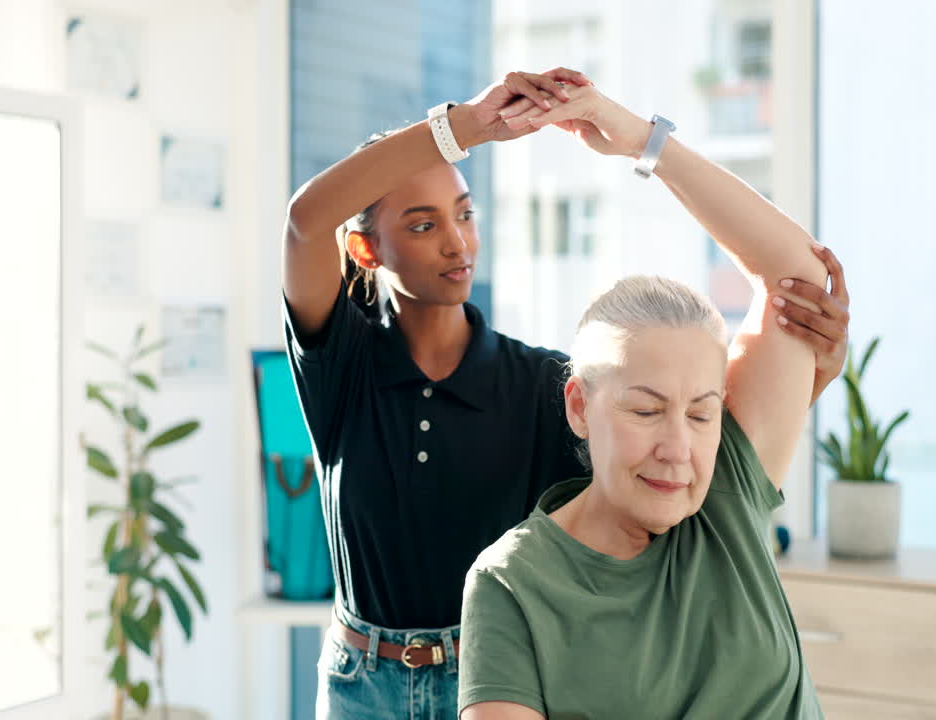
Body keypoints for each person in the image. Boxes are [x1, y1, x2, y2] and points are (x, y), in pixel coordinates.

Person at [282, 68, 851, 720]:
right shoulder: (344, 370)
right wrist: (467, 125)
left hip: (505, 667)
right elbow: (305, 221)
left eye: (465, 214)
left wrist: (804, 371)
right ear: (365, 249)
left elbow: (670, 440)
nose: (456, 240)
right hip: (365, 686)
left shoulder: (543, 386)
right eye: (421, 225)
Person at [458, 82, 829, 719]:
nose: (678, 449)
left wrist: (643, 140)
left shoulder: (727, 490)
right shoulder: (511, 584)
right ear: (579, 406)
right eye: (646, 409)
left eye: (701, 412)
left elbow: (799, 273)